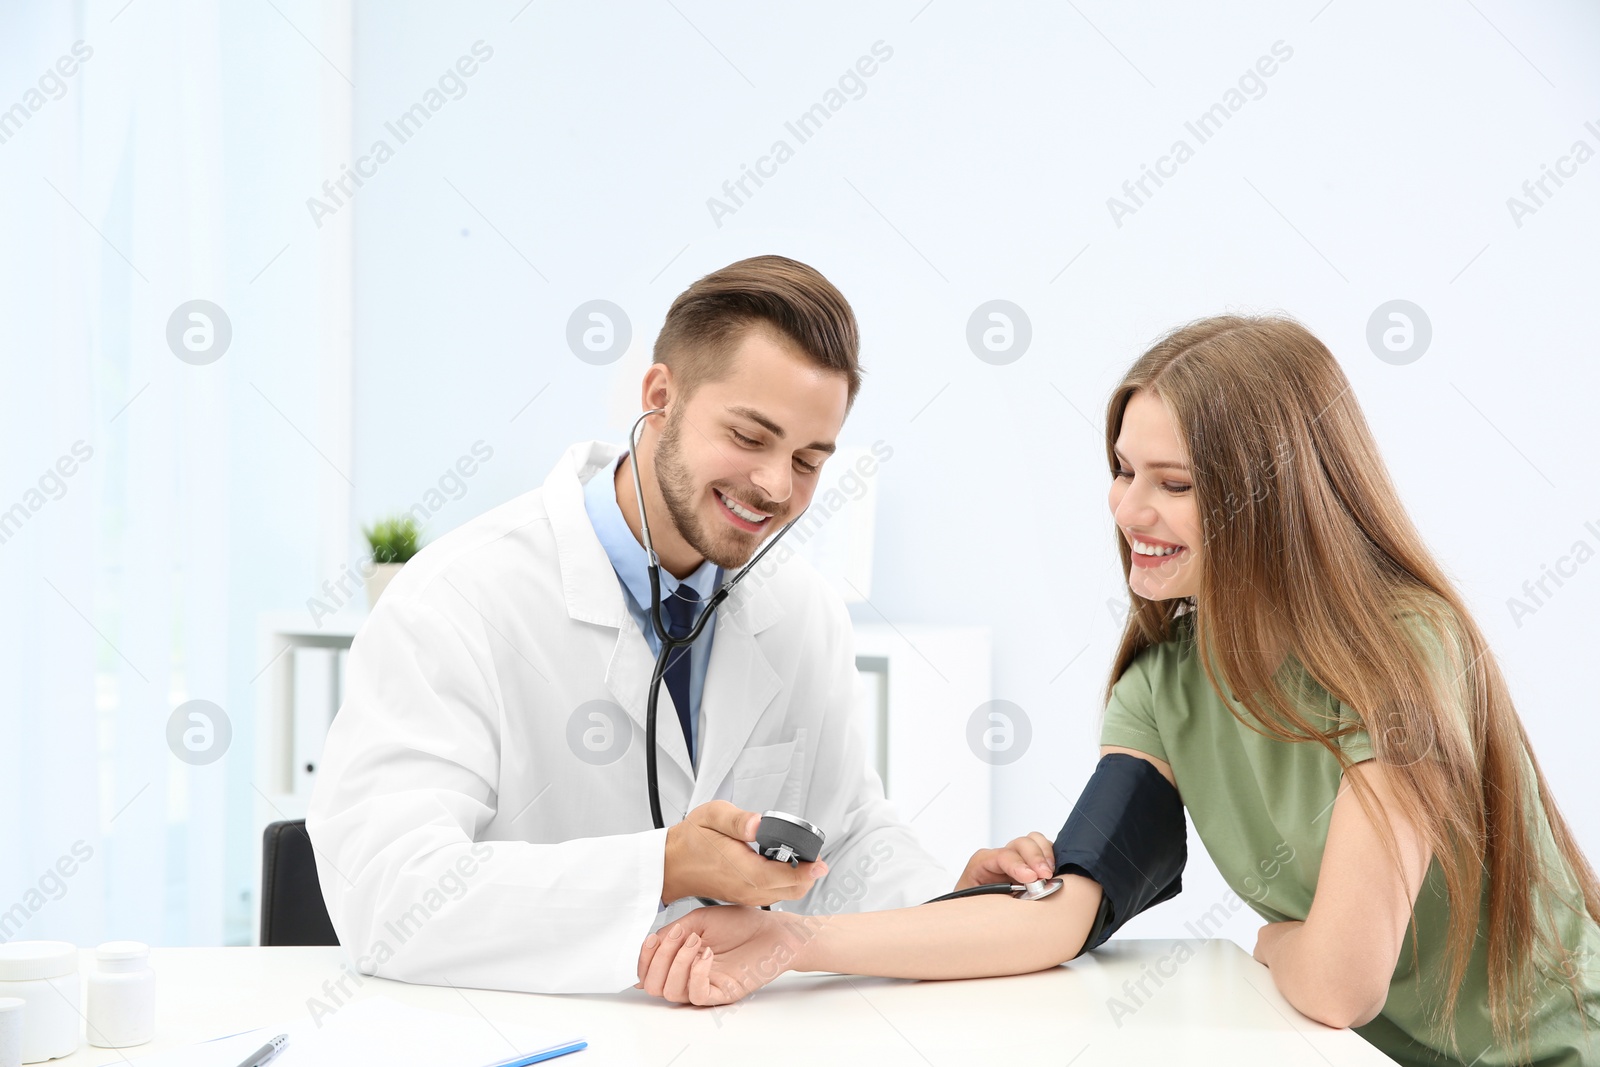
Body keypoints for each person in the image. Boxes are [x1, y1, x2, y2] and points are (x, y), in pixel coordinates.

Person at [636, 314, 1600, 1066]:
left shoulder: (1405, 651)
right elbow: (1060, 909)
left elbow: (1340, 982)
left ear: (1279, 493)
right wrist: (793, 939)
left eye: (1174, 484)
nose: (1130, 510)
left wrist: (1272, 942)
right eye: (1123, 469)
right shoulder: (1162, 684)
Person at [306, 255, 949, 994]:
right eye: (748, 437)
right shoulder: (455, 598)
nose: (776, 486)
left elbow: (852, 836)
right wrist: (664, 865)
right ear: (660, 396)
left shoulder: (802, 611)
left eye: (807, 459)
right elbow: (390, 893)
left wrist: (958, 903)